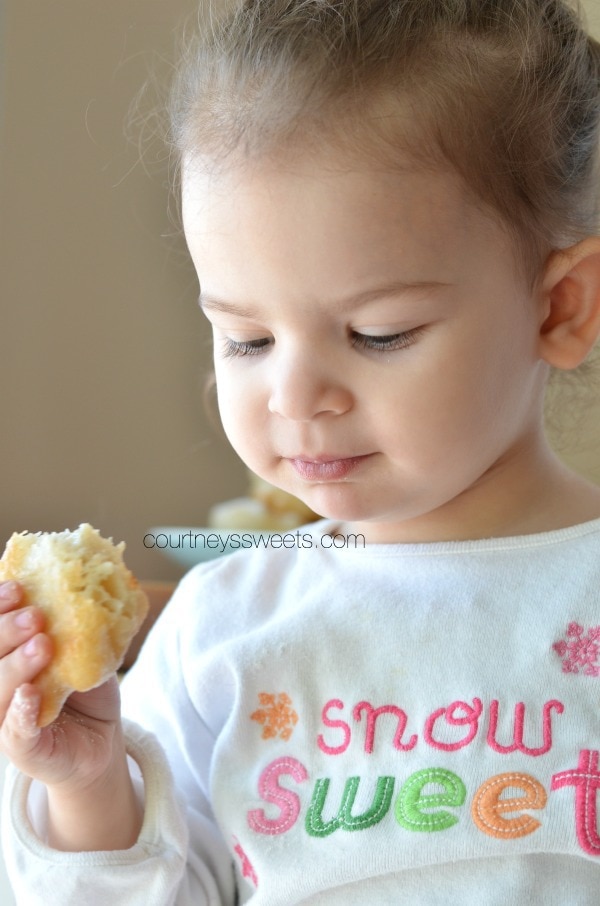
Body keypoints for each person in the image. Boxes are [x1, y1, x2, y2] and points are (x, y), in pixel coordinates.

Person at [2, 0, 600, 902]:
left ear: (558, 310)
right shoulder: (222, 628)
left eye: (377, 332)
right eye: (246, 340)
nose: (292, 397)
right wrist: (89, 787)